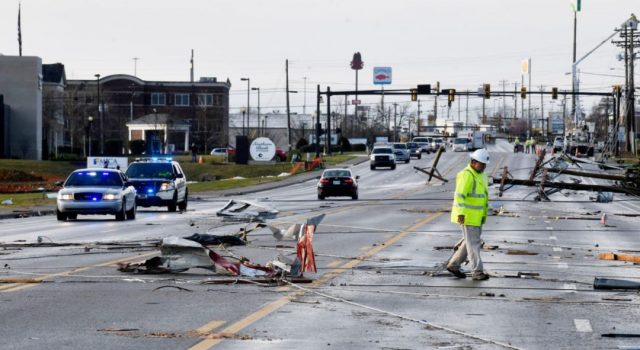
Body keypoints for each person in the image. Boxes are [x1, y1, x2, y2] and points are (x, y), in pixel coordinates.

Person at [446, 149, 490, 281]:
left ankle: (454, 265)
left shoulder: (481, 174)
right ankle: (477, 271)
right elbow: (459, 196)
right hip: (467, 216)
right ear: (473, 162)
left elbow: (482, 197)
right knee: (474, 244)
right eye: (482, 164)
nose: (484, 166)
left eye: (485, 164)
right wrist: (461, 214)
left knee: (469, 243)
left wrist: (483, 215)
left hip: (477, 216)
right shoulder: (466, 175)